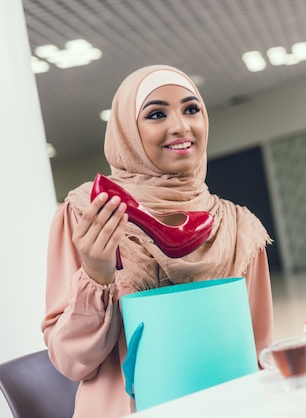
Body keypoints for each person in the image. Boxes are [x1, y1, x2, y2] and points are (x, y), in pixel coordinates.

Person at [41, 65, 273, 417]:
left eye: (191, 109)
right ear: (127, 132)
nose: (180, 125)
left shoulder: (238, 228)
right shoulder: (91, 214)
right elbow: (71, 362)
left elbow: (257, 354)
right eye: (156, 114)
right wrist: (96, 274)